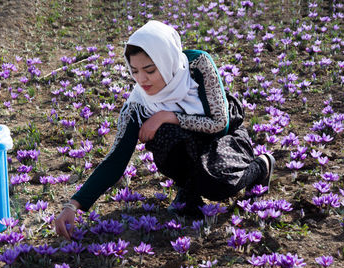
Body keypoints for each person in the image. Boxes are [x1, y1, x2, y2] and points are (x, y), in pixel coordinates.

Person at [54, 20, 274, 240]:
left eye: (149, 70)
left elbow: (219, 124)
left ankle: (261, 166)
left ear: (166, 61)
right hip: (190, 142)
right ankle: (188, 192)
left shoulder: (198, 65)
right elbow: (116, 159)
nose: (141, 80)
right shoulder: (137, 105)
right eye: (135, 71)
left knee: (217, 185)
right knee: (164, 135)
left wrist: (169, 116)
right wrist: (73, 205)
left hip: (225, 137)